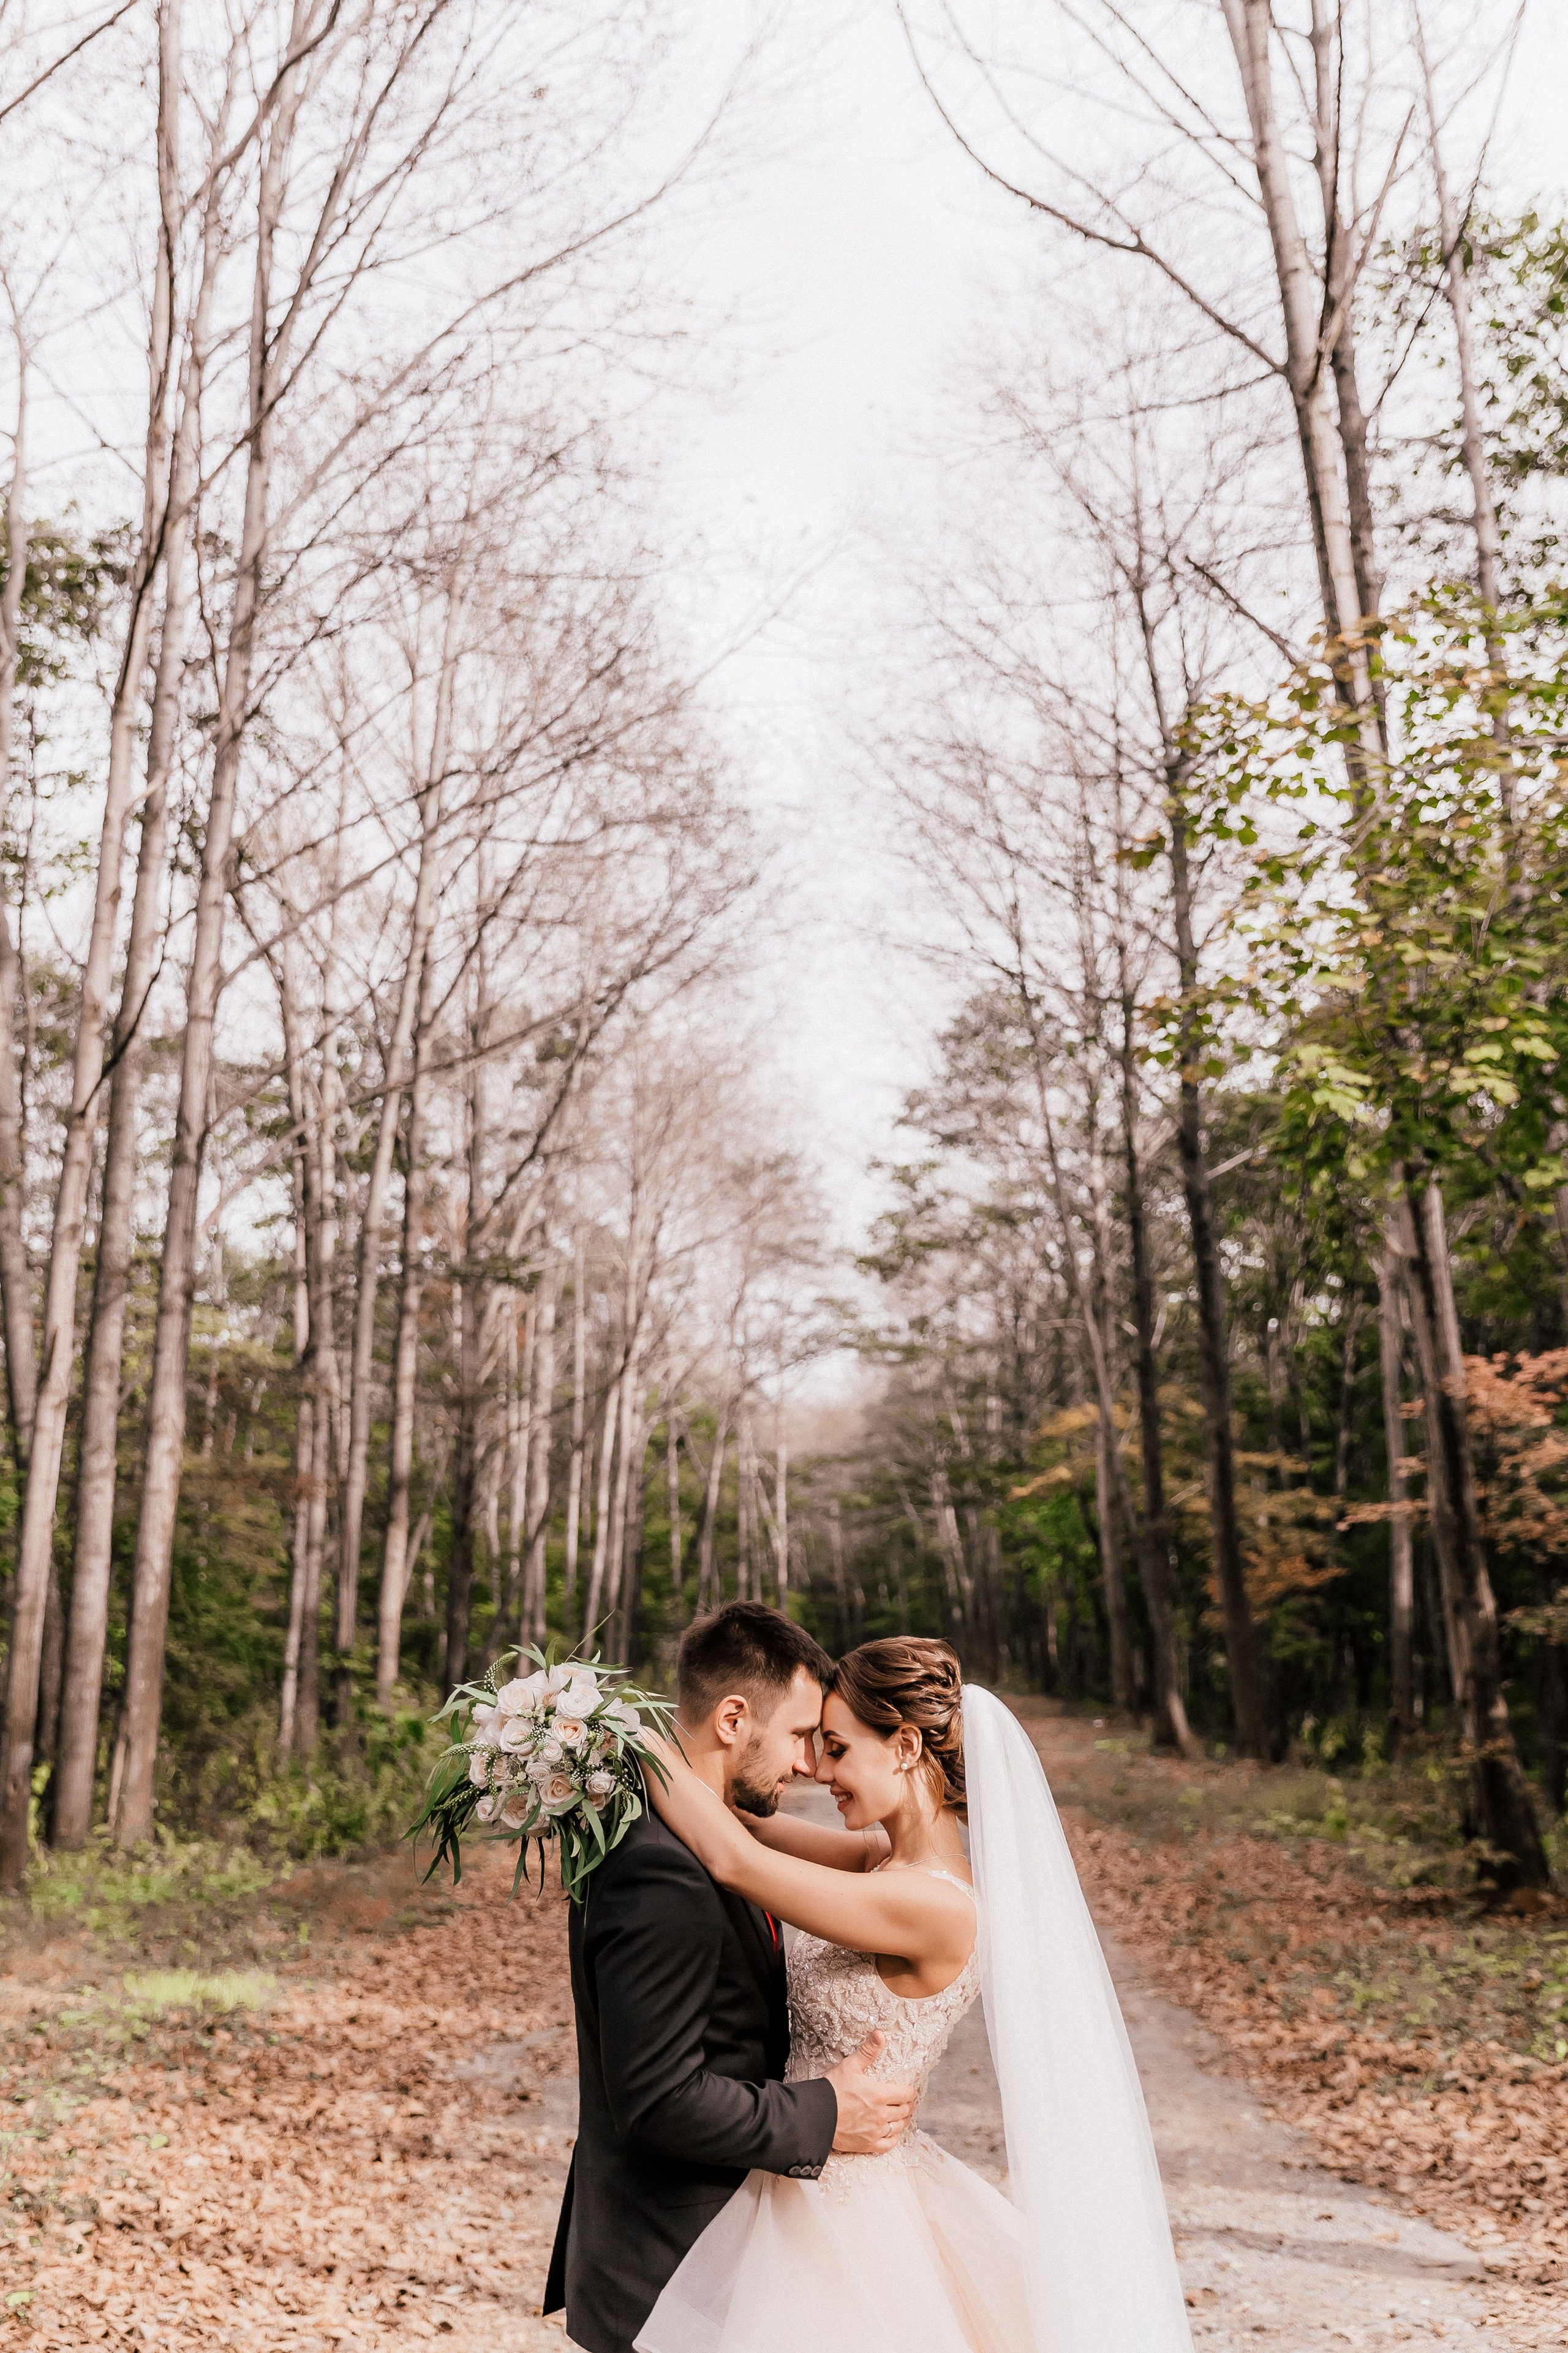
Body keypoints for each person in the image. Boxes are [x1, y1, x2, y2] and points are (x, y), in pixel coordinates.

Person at [633, 1636, 1195, 2353]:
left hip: (846, 2200)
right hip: (797, 2165)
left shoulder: (936, 1907)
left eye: (836, 1748)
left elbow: (733, 1858)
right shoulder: (882, 1858)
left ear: (903, 1746)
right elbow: (742, 1818)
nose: (818, 1769)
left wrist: (620, 1734)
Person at [543, 1603, 919, 2353]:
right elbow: (657, 2098)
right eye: (800, 1736)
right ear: (733, 1718)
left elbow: (783, 1855)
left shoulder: (687, 1826)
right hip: (669, 2271)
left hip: (723, 2259)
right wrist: (823, 2115)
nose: (809, 1764)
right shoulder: (664, 1868)